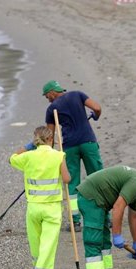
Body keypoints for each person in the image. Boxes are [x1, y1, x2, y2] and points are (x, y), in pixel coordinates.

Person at [9, 126, 70, 269]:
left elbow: (12, 158)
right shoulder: (58, 155)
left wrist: (29, 147)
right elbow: (67, 179)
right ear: (51, 139)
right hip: (52, 208)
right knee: (48, 244)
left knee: (35, 243)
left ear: (35, 140)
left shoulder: (28, 156)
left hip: (33, 207)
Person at [43, 80, 103, 231]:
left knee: (72, 182)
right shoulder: (78, 95)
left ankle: (75, 221)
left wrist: (49, 153)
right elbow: (97, 107)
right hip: (88, 142)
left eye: (46, 96)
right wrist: (95, 116)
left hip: (69, 146)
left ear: (52, 93)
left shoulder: (52, 109)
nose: (47, 99)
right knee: (98, 178)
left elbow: (49, 136)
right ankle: (104, 217)